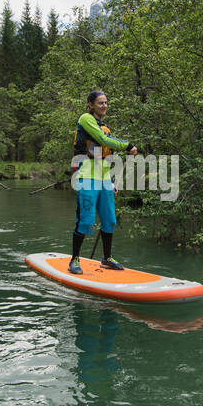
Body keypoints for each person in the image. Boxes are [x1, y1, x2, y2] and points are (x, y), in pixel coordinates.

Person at [69, 90, 137, 275]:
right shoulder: (85, 119)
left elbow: (108, 156)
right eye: (100, 103)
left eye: (106, 102)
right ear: (90, 104)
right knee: (86, 221)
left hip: (104, 179)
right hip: (86, 176)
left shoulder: (104, 126)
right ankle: (74, 259)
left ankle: (106, 258)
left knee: (109, 220)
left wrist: (112, 181)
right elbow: (102, 139)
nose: (104, 106)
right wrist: (128, 145)